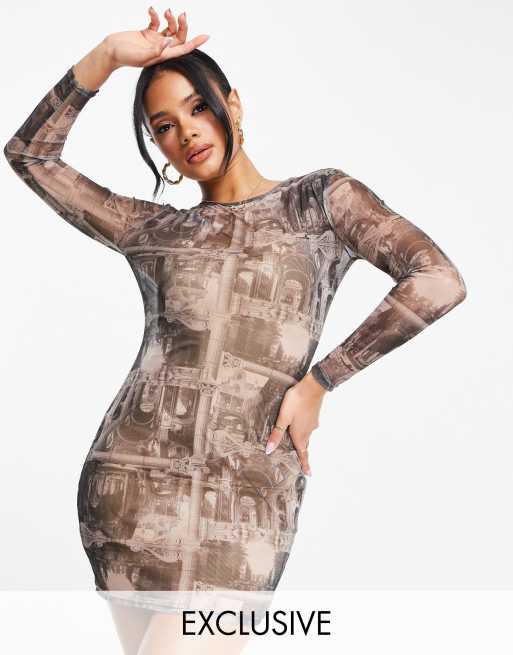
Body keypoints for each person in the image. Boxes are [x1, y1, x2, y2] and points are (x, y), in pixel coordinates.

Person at [3, 6, 467, 655]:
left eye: (197, 107)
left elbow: (438, 279)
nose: (186, 131)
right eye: (163, 126)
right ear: (157, 146)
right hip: (132, 489)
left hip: (246, 492)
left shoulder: (318, 201)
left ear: (233, 104)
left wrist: (320, 381)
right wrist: (107, 55)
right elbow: (28, 154)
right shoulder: (154, 229)